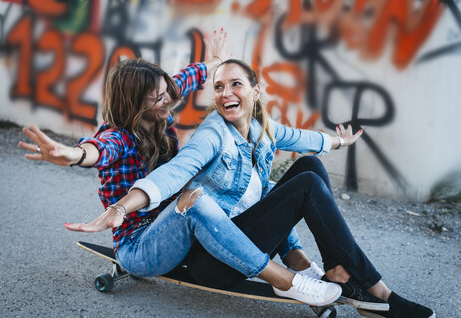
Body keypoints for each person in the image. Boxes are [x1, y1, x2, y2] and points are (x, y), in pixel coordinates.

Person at [65, 59, 436, 318]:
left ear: (256, 92)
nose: (225, 92)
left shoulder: (256, 127)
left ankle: (335, 271)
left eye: (235, 84)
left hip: (207, 233)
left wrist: (340, 143)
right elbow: (169, 171)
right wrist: (85, 166)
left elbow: (302, 138)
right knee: (202, 197)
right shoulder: (203, 134)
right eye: (220, 86)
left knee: (307, 167)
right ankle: (353, 288)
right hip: (172, 245)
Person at [19, 33, 343, 308]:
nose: (169, 100)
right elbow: (97, 150)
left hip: (171, 229)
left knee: (264, 184)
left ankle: (296, 259)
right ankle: (285, 281)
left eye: (167, 91)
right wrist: (74, 155)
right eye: (157, 98)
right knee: (194, 201)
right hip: (139, 244)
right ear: (135, 104)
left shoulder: (163, 103)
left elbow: (189, 77)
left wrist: (215, 62)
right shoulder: (118, 136)